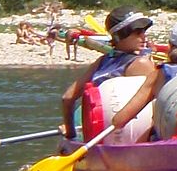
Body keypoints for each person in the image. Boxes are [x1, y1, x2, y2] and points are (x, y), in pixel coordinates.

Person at [59, 7, 160, 138]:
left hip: (92, 131)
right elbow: (156, 108)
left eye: (144, 31)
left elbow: (67, 98)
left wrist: (70, 132)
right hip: (122, 137)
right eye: (137, 32)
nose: (144, 37)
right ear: (119, 36)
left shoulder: (102, 61)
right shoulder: (141, 64)